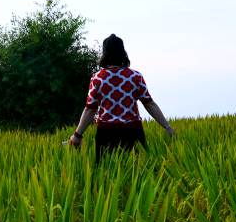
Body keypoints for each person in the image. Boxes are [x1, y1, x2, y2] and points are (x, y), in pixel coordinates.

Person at [68, 34, 175, 162]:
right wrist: (167, 127)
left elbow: (90, 109)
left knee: (106, 175)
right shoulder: (135, 76)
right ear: (123, 52)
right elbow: (149, 104)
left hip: (106, 134)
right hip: (133, 132)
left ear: (105, 53)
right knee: (139, 174)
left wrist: (77, 135)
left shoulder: (98, 78)